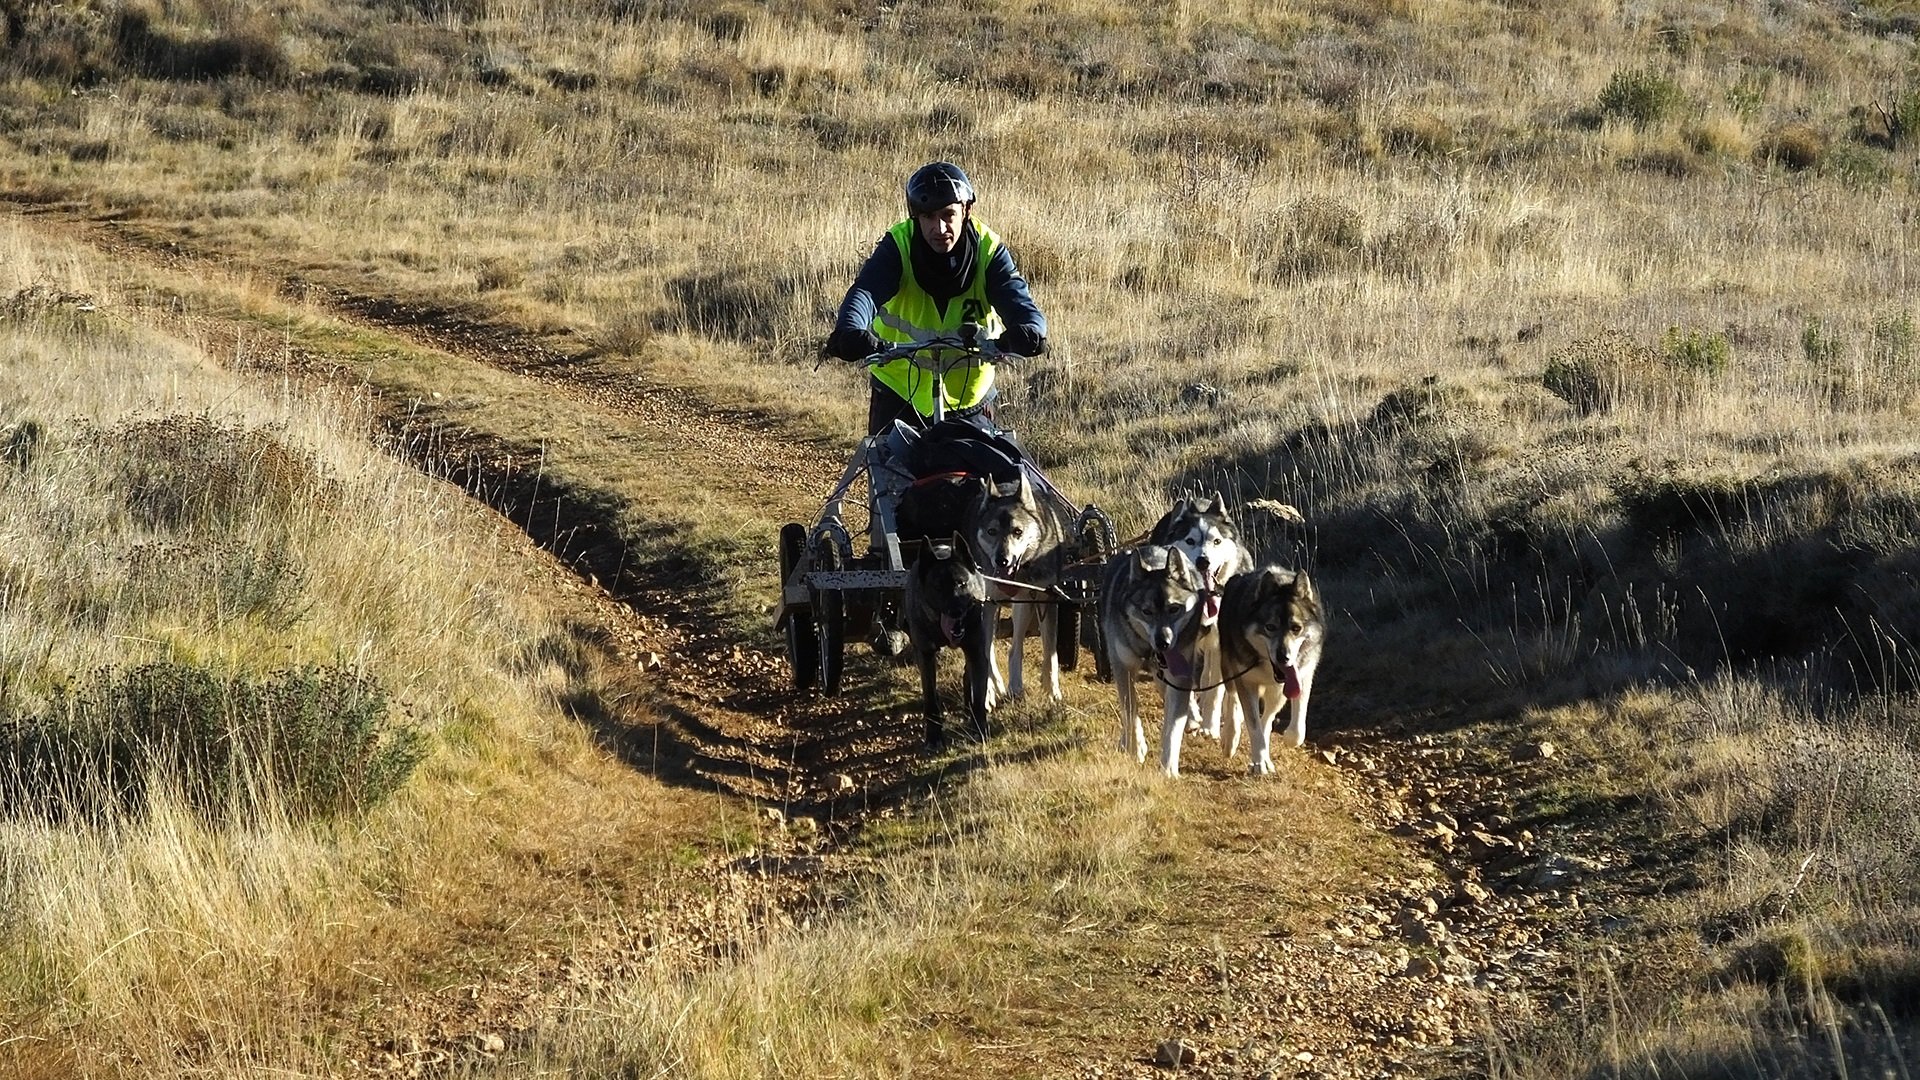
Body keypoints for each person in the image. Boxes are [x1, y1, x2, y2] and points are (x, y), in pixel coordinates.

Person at [826, 161, 1049, 438]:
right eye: (928, 217)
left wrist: (1029, 331)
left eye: (948, 214)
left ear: (966, 211)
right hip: (900, 395)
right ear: (915, 217)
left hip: (971, 401)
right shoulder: (899, 246)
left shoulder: (988, 250)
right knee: (890, 476)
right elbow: (866, 292)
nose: (939, 227)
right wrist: (850, 330)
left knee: (1001, 476)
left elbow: (1020, 303)